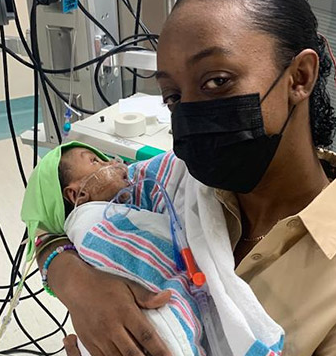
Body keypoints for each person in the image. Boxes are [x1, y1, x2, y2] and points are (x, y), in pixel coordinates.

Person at [31, 0, 336, 356]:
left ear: (299, 77)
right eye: (174, 96)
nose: (190, 118)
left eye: (216, 80)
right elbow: (45, 224)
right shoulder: (180, 182)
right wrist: (78, 284)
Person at [22, 141, 285, 356]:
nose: (112, 162)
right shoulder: (90, 221)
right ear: (77, 195)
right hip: (150, 318)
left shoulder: (138, 191)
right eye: (95, 161)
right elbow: (141, 258)